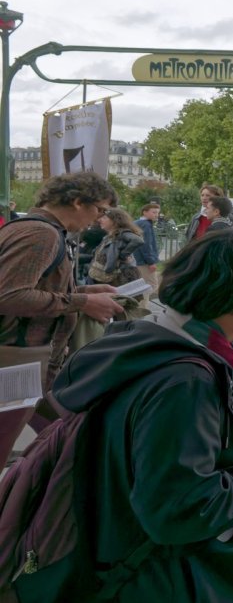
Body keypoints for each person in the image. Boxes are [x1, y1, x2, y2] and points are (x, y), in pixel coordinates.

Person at [53, 228, 233, 603]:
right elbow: (182, 509)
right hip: (182, 582)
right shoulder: (187, 381)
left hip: (156, 574)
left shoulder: (153, 342)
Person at [0, 172, 123, 442]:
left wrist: (80, 292)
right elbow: (9, 296)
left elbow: (28, 289)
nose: (97, 219)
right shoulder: (41, 234)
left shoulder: (27, 227)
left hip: (23, 359)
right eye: (99, 209)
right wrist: (82, 301)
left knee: (61, 437)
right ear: (78, 201)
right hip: (18, 360)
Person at [88, 207, 145, 287]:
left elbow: (138, 240)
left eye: (104, 218)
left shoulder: (122, 233)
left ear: (115, 220)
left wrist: (122, 255)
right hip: (106, 278)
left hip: (118, 279)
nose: (100, 220)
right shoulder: (110, 236)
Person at [132, 203, 160, 294]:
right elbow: (146, 245)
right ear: (145, 212)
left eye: (157, 213)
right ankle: (141, 307)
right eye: (154, 212)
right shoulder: (146, 225)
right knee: (151, 285)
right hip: (144, 262)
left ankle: (141, 305)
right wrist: (151, 262)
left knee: (141, 285)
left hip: (137, 259)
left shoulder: (137, 223)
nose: (156, 215)